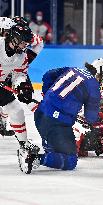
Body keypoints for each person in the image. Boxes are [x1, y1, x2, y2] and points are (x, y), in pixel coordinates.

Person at [19, 59, 103, 174]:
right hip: (55, 124)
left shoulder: (72, 69)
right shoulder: (93, 85)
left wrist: (48, 95)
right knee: (70, 161)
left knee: (55, 152)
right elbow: (90, 118)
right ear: (100, 73)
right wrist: (100, 121)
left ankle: (48, 151)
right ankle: (33, 158)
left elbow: (48, 75)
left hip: (40, 114)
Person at [0, 24, 40, 161]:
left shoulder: (21, 57)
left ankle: (23, 143)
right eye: (23, 42)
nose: (25, 46)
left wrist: (21, 86)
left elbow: (19, 75)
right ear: (15, 39)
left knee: (16, 110)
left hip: (1, 85)